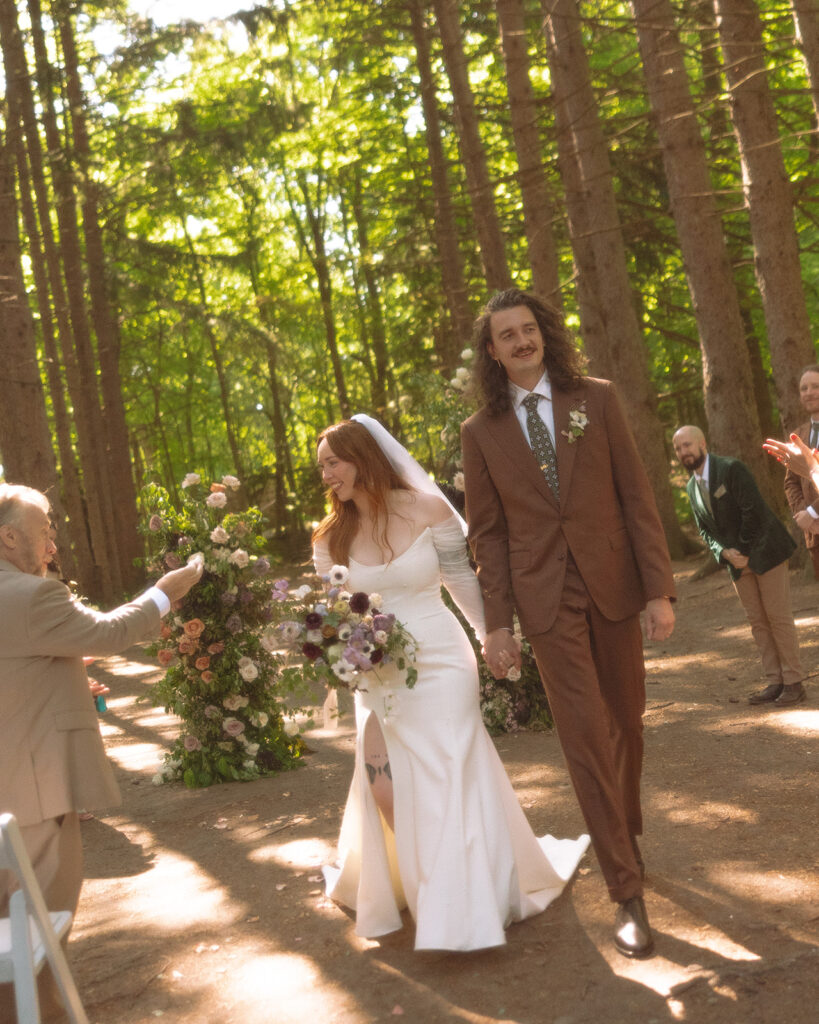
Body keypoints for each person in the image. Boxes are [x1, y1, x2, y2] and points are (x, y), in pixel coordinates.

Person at [312, 416, 590, 952]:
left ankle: (457, 903)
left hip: (441, 657)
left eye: (333, 462)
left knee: (446, 770)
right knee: (384, 785)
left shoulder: (429, 509)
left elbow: (462, 580)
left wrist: (491, 635)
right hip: (376, 673)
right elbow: (333, 615)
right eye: (321, 466)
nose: (326, 475)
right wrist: (343, 651)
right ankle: (421, 882)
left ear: (362, 458)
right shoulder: (329, 539)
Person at [460, 289, 675, 960]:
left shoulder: (598, 400)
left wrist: (658, 591)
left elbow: (635, 496)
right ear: (491, 351)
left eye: (529, 329)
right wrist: (497, 625)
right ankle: (625, 890)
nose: (521, 341)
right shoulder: (480, 433)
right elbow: (487, 538)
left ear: (543, 335)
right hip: (544, 600)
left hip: (613, 584)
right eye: (507, 335)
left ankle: (624, 832)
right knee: (583, 736)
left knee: (624, 722)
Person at [0, 483, 202, 1020]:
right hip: (33, 787)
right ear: (8, 536)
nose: (52, 544)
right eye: (44, 532)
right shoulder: (29, 597)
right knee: (41, 921)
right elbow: (108, 633)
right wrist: (165, 592)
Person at [673, 426, 805, 707]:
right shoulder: (690, 487)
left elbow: (752, 509)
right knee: (757, 622)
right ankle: (775, 681)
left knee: (777, 617)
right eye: (678, 448)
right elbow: (705, 530)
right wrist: (724, 553)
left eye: (687, 445)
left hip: (765, 551)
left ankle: (794, 682)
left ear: (702, 444)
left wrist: (743, 550)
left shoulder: (731, 469)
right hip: (735, 561)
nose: (683, 452)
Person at [782, 365, 819, 577]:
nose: (809, 392)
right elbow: (791, 482)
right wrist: (804, 516)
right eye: (804, 388)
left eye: (815, 386)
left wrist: (813, 512)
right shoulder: (798, 435)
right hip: (815, 535)